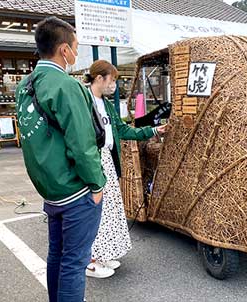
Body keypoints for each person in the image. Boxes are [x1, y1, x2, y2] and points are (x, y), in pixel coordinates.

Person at [16, 17, 106, 302]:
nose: (76, 55)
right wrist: (97, 184)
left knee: (57, 254)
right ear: (64, 50)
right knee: (75, 263)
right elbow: (83, 145)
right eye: (76, 48)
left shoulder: (25, 84)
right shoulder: (66, 86)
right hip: (75, 189)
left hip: (49, 189)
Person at [82, 60, 167, 278]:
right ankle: (89, 261)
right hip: (92, 161)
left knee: (108, 210)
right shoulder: (83, 100)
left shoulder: (106, 104)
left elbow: (123, 130)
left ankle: (103, 253)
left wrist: (155, 130)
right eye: (112, 80)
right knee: (93, 212)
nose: (114, 85)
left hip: (107, 161)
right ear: (100, 78)